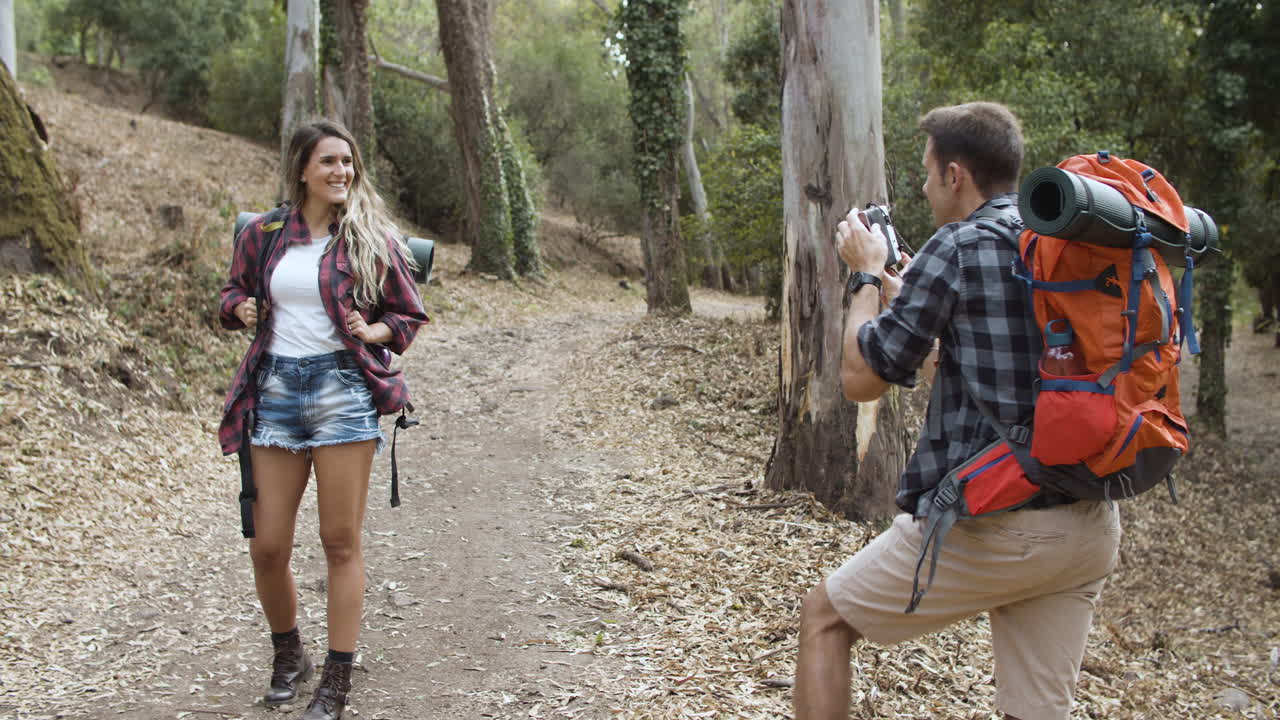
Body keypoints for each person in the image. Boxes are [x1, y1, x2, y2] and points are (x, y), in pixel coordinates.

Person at [794, 102, 1121, 720]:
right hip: (1087, 525)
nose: (922, 186)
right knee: (1036, 710)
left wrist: (866, 277)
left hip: (1004, 523)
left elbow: (861, 380)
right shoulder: (1055, 244)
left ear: (954, 176)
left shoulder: (959, 246)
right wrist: (910, 295)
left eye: (925, 172)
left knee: (825, 619)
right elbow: (1003, 370)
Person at [218, 119, 427, 720]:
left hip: (342, 389)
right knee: (267, 546)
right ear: (302, 169)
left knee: (339, 540)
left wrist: (376, 329)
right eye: (329, 162)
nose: (342, 172)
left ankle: (336, 679)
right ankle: (290, 655)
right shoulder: (264, 233)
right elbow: (229, 296)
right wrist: (241, 305)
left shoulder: (371, 237)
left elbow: (407, 316)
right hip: (276, 390)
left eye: (348, 162)